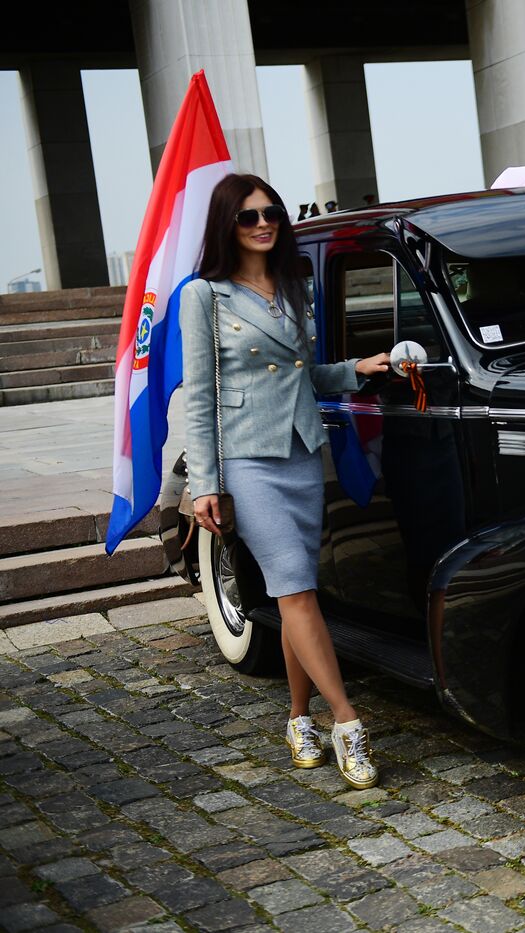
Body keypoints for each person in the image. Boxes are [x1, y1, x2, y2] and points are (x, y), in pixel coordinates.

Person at [181, 174, 390, 789]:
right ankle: (346, 721)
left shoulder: (294, 284)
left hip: (302, 453)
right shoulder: (206, 296)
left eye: (270, 212)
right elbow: (201, 397)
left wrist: (357, 369)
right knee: (295, 590)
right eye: (248, 217)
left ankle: (299, 717)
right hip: (247, 460)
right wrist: (205, 484)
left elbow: (306, 376)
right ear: (228, 225)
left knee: (298, 594)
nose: (263, 223)